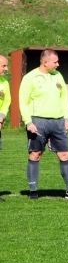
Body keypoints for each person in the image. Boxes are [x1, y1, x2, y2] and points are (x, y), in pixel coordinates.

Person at [19, 49, 68, 200]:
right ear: (45, 62)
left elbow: (64, 98)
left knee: (65, 154)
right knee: (35, 154)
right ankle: (33, 190)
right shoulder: (30, 78)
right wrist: (28, 122)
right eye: (55, 62)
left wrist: (66, 118)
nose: (58, 65)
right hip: (38, 122)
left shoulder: (58, 76)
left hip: (58, 122)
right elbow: (23, 102)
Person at [0, 55, 9, 201]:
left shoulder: (4, 83)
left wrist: (1, 119)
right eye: (4, 66)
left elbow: (7, 102)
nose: (6, 69)